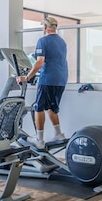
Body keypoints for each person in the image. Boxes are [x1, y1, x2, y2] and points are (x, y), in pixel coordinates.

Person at [17, 16, 68, 149]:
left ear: (45, 28)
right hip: (61, 79)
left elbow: (39, 62)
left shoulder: (43, 41)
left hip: (48, 79)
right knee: (51, 107)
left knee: (38, 107)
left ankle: (39, 140)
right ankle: (58, 133)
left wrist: (26, 78)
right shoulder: (62, 42)